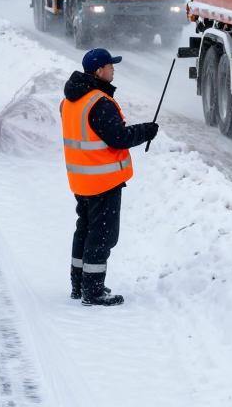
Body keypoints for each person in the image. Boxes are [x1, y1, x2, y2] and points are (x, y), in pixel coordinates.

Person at [61, 47, 159, 307]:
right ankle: (93, 291)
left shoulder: (71, 100)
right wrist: (146, 131)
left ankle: (79, 284)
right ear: (99, 71)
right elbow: (119, 138)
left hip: (81, 179)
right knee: (102, 235)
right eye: (110, 66)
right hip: (102, 180)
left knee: (85, 230)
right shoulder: (99, 103)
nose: (113, 69)